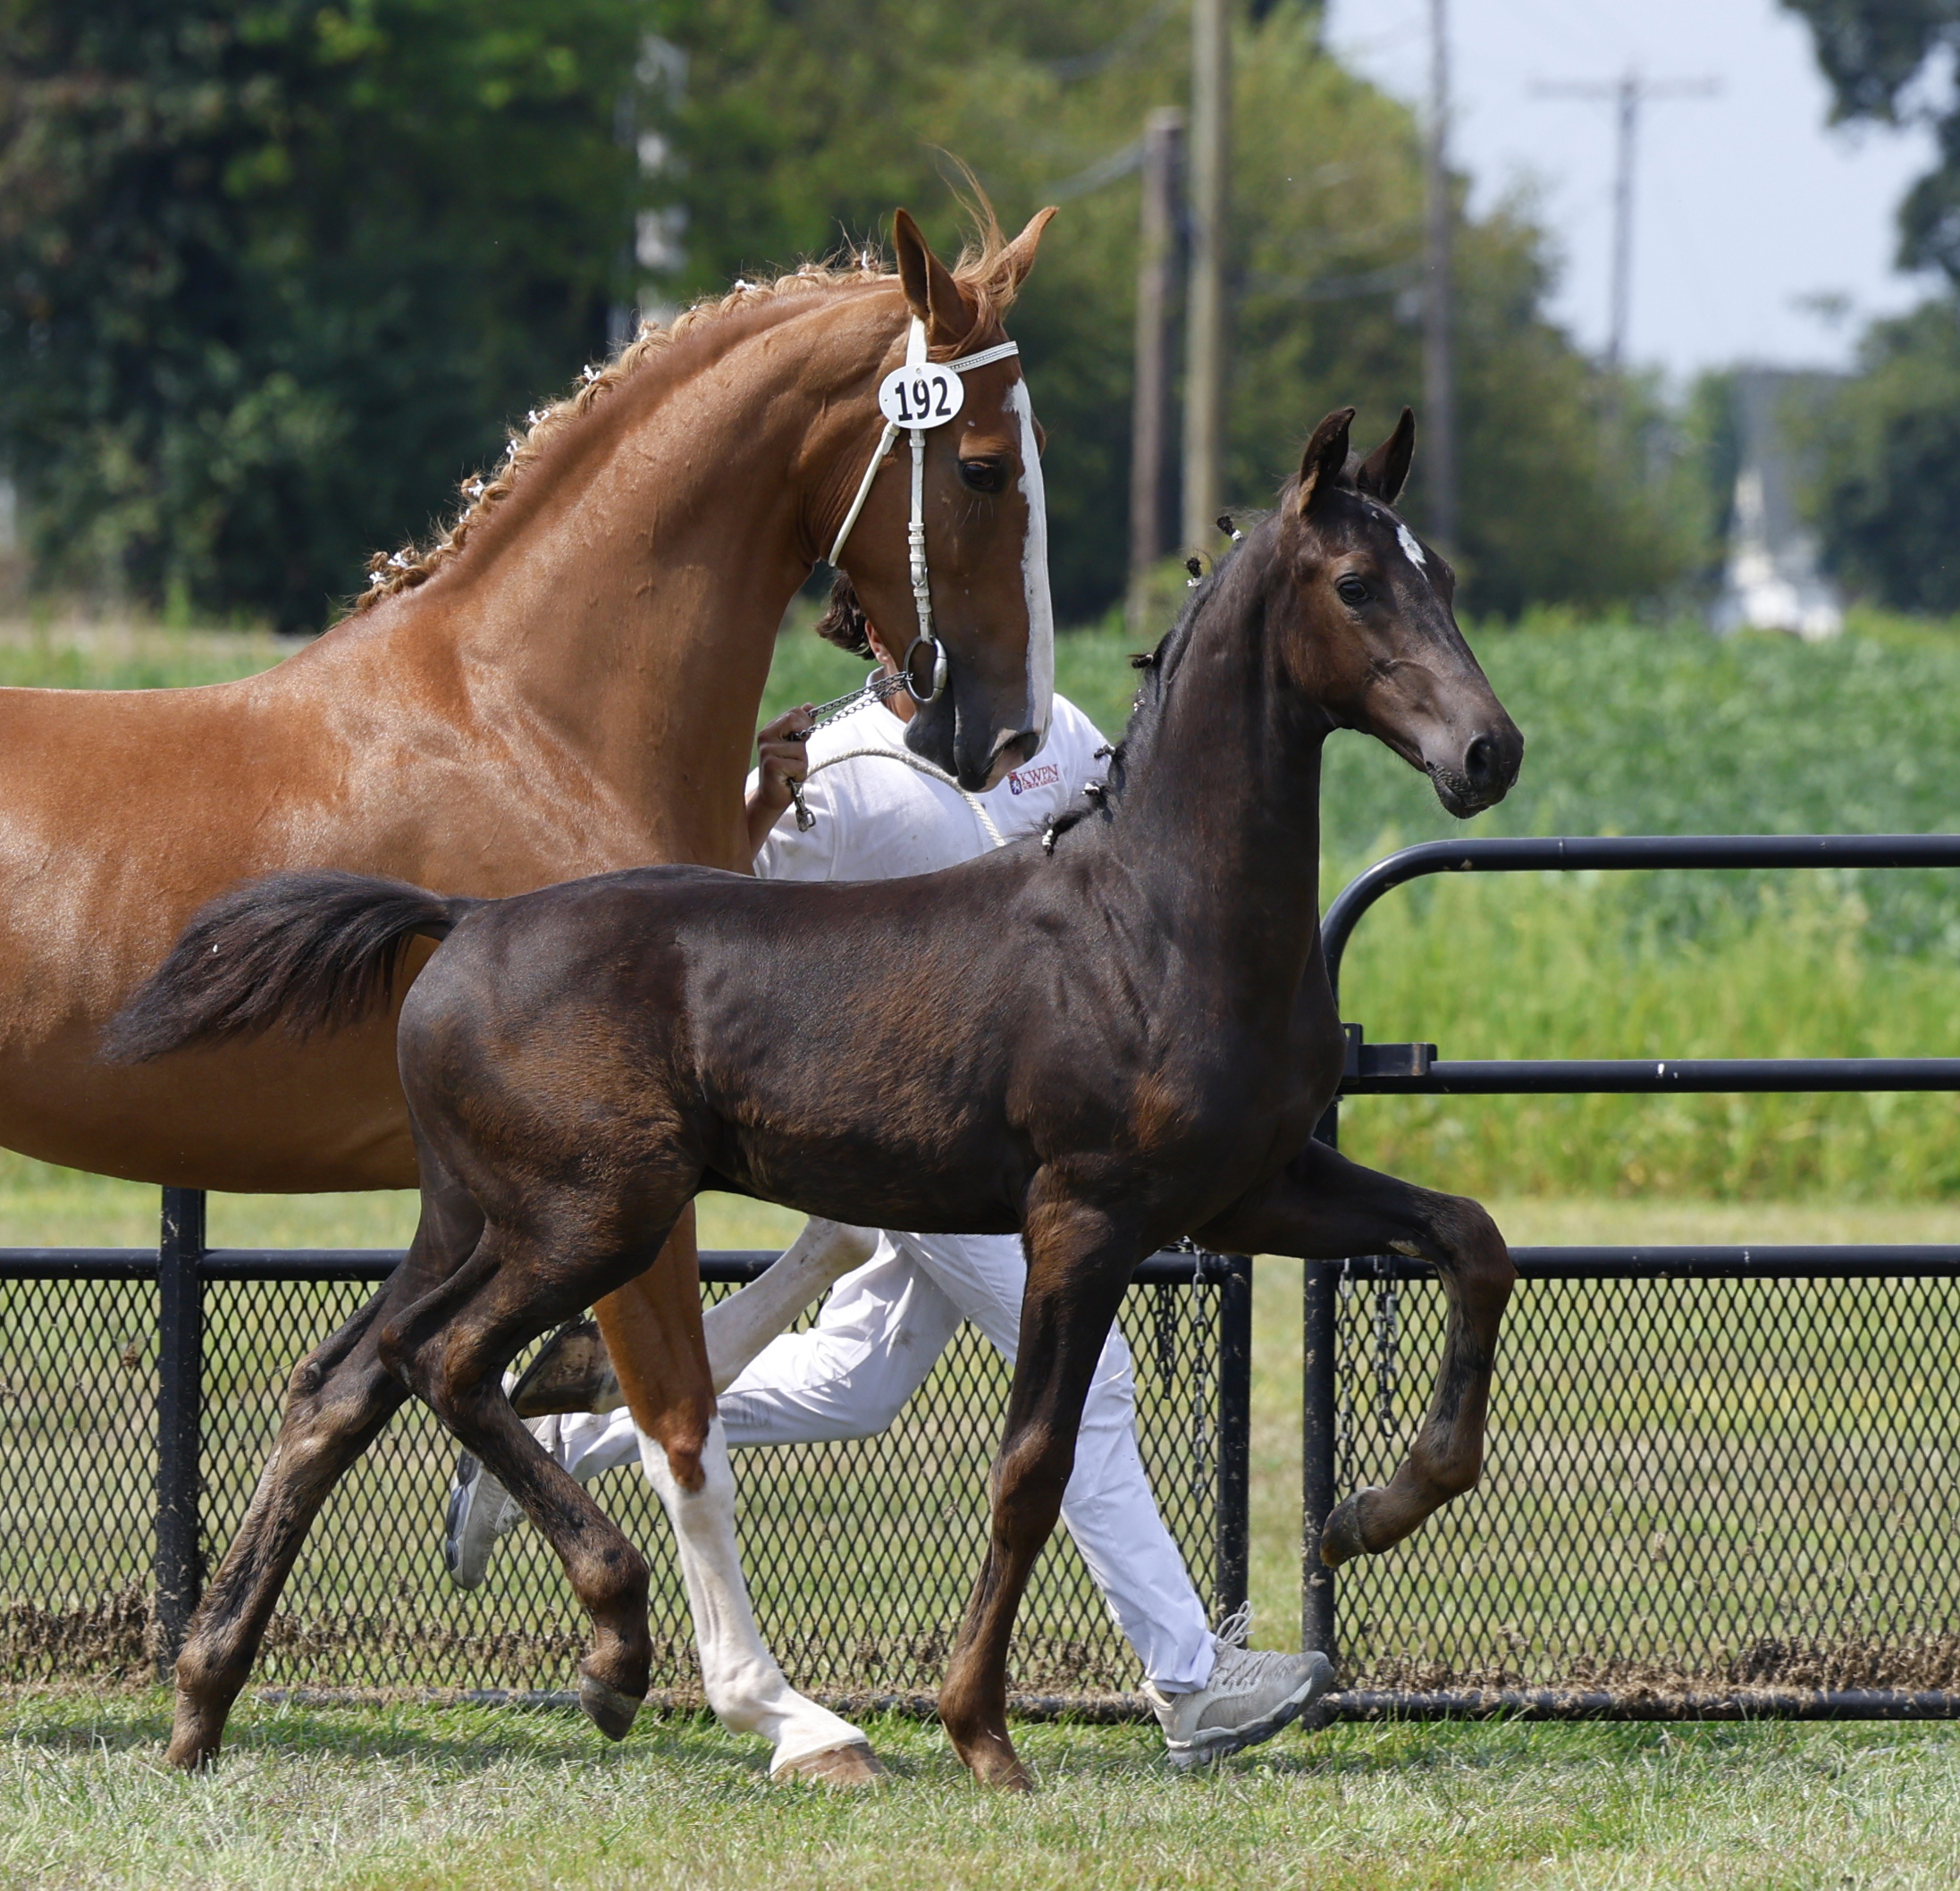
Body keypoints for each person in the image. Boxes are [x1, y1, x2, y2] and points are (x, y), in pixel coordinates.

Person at [442, 578, 1332, 1769]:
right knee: (1092, 1372)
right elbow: (739, 935)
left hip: (1032, 1124)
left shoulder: (1056, 732)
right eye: (936, 610)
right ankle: (1187, 1684)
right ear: (869, 628)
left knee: (856, 1384)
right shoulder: (838, 770)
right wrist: (756, 813)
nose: (984, 626)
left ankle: (591, 1426)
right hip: (902, 1124)